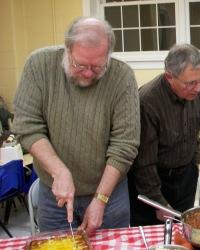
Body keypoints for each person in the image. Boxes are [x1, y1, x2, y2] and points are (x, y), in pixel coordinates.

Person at [12, 17, 140, 234]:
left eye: (97, 66)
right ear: (67, 49)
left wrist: (100, 198)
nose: (88, 73)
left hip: (109, 193)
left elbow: (125, 144)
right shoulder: (39, 66)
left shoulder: (122, 77)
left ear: (108, 54)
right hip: (55, 194)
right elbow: (27, 126)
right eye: (80, 65)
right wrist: (59, 171)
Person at [128, 43, 200, 226]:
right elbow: (143, 162)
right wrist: (158, 202)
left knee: (183, 233)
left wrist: (194, 164)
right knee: (154, 237)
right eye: (190, 83)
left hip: (185, 176)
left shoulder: (199, 93)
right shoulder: (147, 102)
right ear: (169, 77)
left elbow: (196, 132)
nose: (197, 88)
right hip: (153, 182)